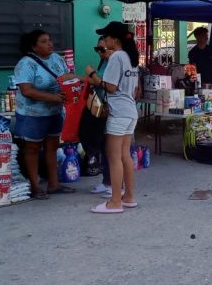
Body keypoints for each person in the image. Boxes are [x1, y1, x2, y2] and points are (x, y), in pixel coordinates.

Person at [13, 29, 78, 200]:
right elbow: (26, 90)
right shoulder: (25, 64)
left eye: (49, 40)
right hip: (32, 114)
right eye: (43, 41)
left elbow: (66, 76)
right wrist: (52, 97)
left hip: (55, 112)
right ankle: (35, 186)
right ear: (33, 47)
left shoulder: (57, 58)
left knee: (52, 147)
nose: (50, 44)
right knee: (32, 149)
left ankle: (53, 184)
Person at [90, 21, 141, 213]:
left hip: (119, 112)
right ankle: (128, 196)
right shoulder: (130, 57)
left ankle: (115, 202)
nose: (103, 41)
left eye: (105, 37)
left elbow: (110, 86)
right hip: (130, 112)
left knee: (114, 157)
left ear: (114, 39)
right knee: (125, 156)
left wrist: (94, 76)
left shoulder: (117, 57)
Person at [80, 38, 111, 195]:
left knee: (111, 149)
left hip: (110, 109)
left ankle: (115, 186)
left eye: (102, 49)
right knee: (99, 143)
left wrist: (89, 75)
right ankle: (107, 181)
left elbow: (106, 84)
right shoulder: (105, 62)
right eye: (97, 49)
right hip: (100, 107)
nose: (99, 52)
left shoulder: (115, 62)